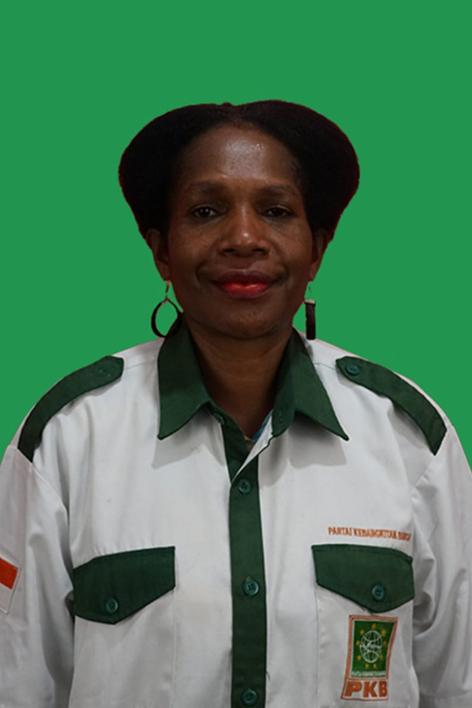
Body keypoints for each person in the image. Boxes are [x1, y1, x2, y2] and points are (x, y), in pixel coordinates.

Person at [1, 100, 471, 708]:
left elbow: (457, 685)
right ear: (161, 250)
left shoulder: (409, 438)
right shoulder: (67, 438)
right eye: (206, 211)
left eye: (276, 211)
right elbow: (16, 685)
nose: (244, 238)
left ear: (316, 250)